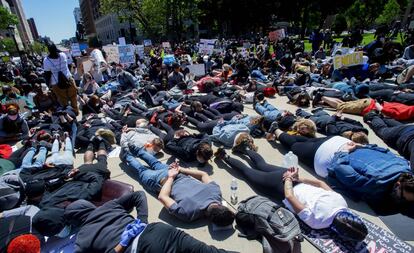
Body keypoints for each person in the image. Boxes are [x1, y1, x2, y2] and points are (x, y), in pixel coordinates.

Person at [214, 149, 368, 241]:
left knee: (262, 165)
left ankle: (246, 148)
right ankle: (225, 157)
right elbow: (290, 197)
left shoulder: (341, 202)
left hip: (291, 179)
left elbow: (321, 184)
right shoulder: (319, 222)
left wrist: (297, 178)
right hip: (281, 186)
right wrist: (288, 179)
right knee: (249, 173)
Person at [64, 192, 229, 253]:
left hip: (142, 248)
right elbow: (138, 195)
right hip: (159, 230)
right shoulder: (108, 206)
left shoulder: (82, 239)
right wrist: (142, 220)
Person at [121, 146, 235, 226]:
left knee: (155, 163)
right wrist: (171, 177)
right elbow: (163, 197)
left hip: (175, 173)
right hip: (162, 181)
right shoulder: (188, 214)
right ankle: (126, 155)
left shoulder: (216, 192)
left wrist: (179, 170)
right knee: (141, 170)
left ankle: (134, 148)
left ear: (222, 205)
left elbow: (203, 174)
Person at [296, 108, 369, 144]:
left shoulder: (361, 129)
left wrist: (341, 117)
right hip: (325, 122)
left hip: (334, 119)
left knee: (324, 115)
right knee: (310, 118)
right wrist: (335, 116)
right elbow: (330, 123)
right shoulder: (337, 135)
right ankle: (299, 111)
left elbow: (356, 122)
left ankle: (318, 110)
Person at [43, 43, 79, 115]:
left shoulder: (46, 60)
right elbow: (68, 65)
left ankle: (69, 114)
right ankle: (75, 112)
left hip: (56, 84)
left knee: (63, 100)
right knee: (73, 97)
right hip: (69, 79)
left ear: (49, 51)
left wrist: (48, 85)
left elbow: (47, 75)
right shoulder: (63, 55)